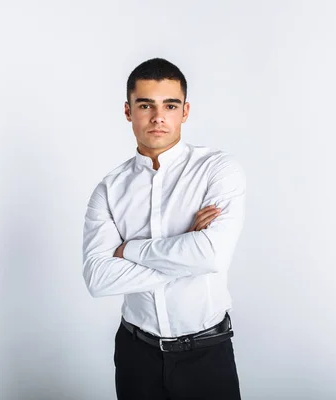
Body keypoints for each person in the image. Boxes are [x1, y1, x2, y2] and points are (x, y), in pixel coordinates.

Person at [82, 57, 246, 400]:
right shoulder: (110, 188)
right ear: (128, 111)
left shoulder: (217, 171)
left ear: (185, 111)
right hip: (135, 355)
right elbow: (98, 278)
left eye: (169, 105)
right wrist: (186, 251)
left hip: (206, 354)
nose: (158, 117)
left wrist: (129, 249)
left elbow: (211, 256)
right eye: (146, 105)